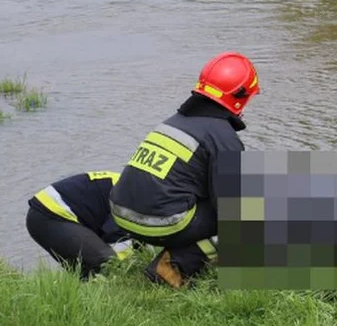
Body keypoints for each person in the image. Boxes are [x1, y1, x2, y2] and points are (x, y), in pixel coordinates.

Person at [109, 51, 258, 288]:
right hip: (161, 221)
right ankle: (174, 266)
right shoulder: (223, 137)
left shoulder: (173, 121)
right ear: (240, 97)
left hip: (120, 216)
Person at [25, 170, 136, 280]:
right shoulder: (129, 197)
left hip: (53, 212)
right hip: (50, 214)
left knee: (89, 275)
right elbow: (116, 235)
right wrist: (130, 271)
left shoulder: (133, 188)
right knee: (109, 264)